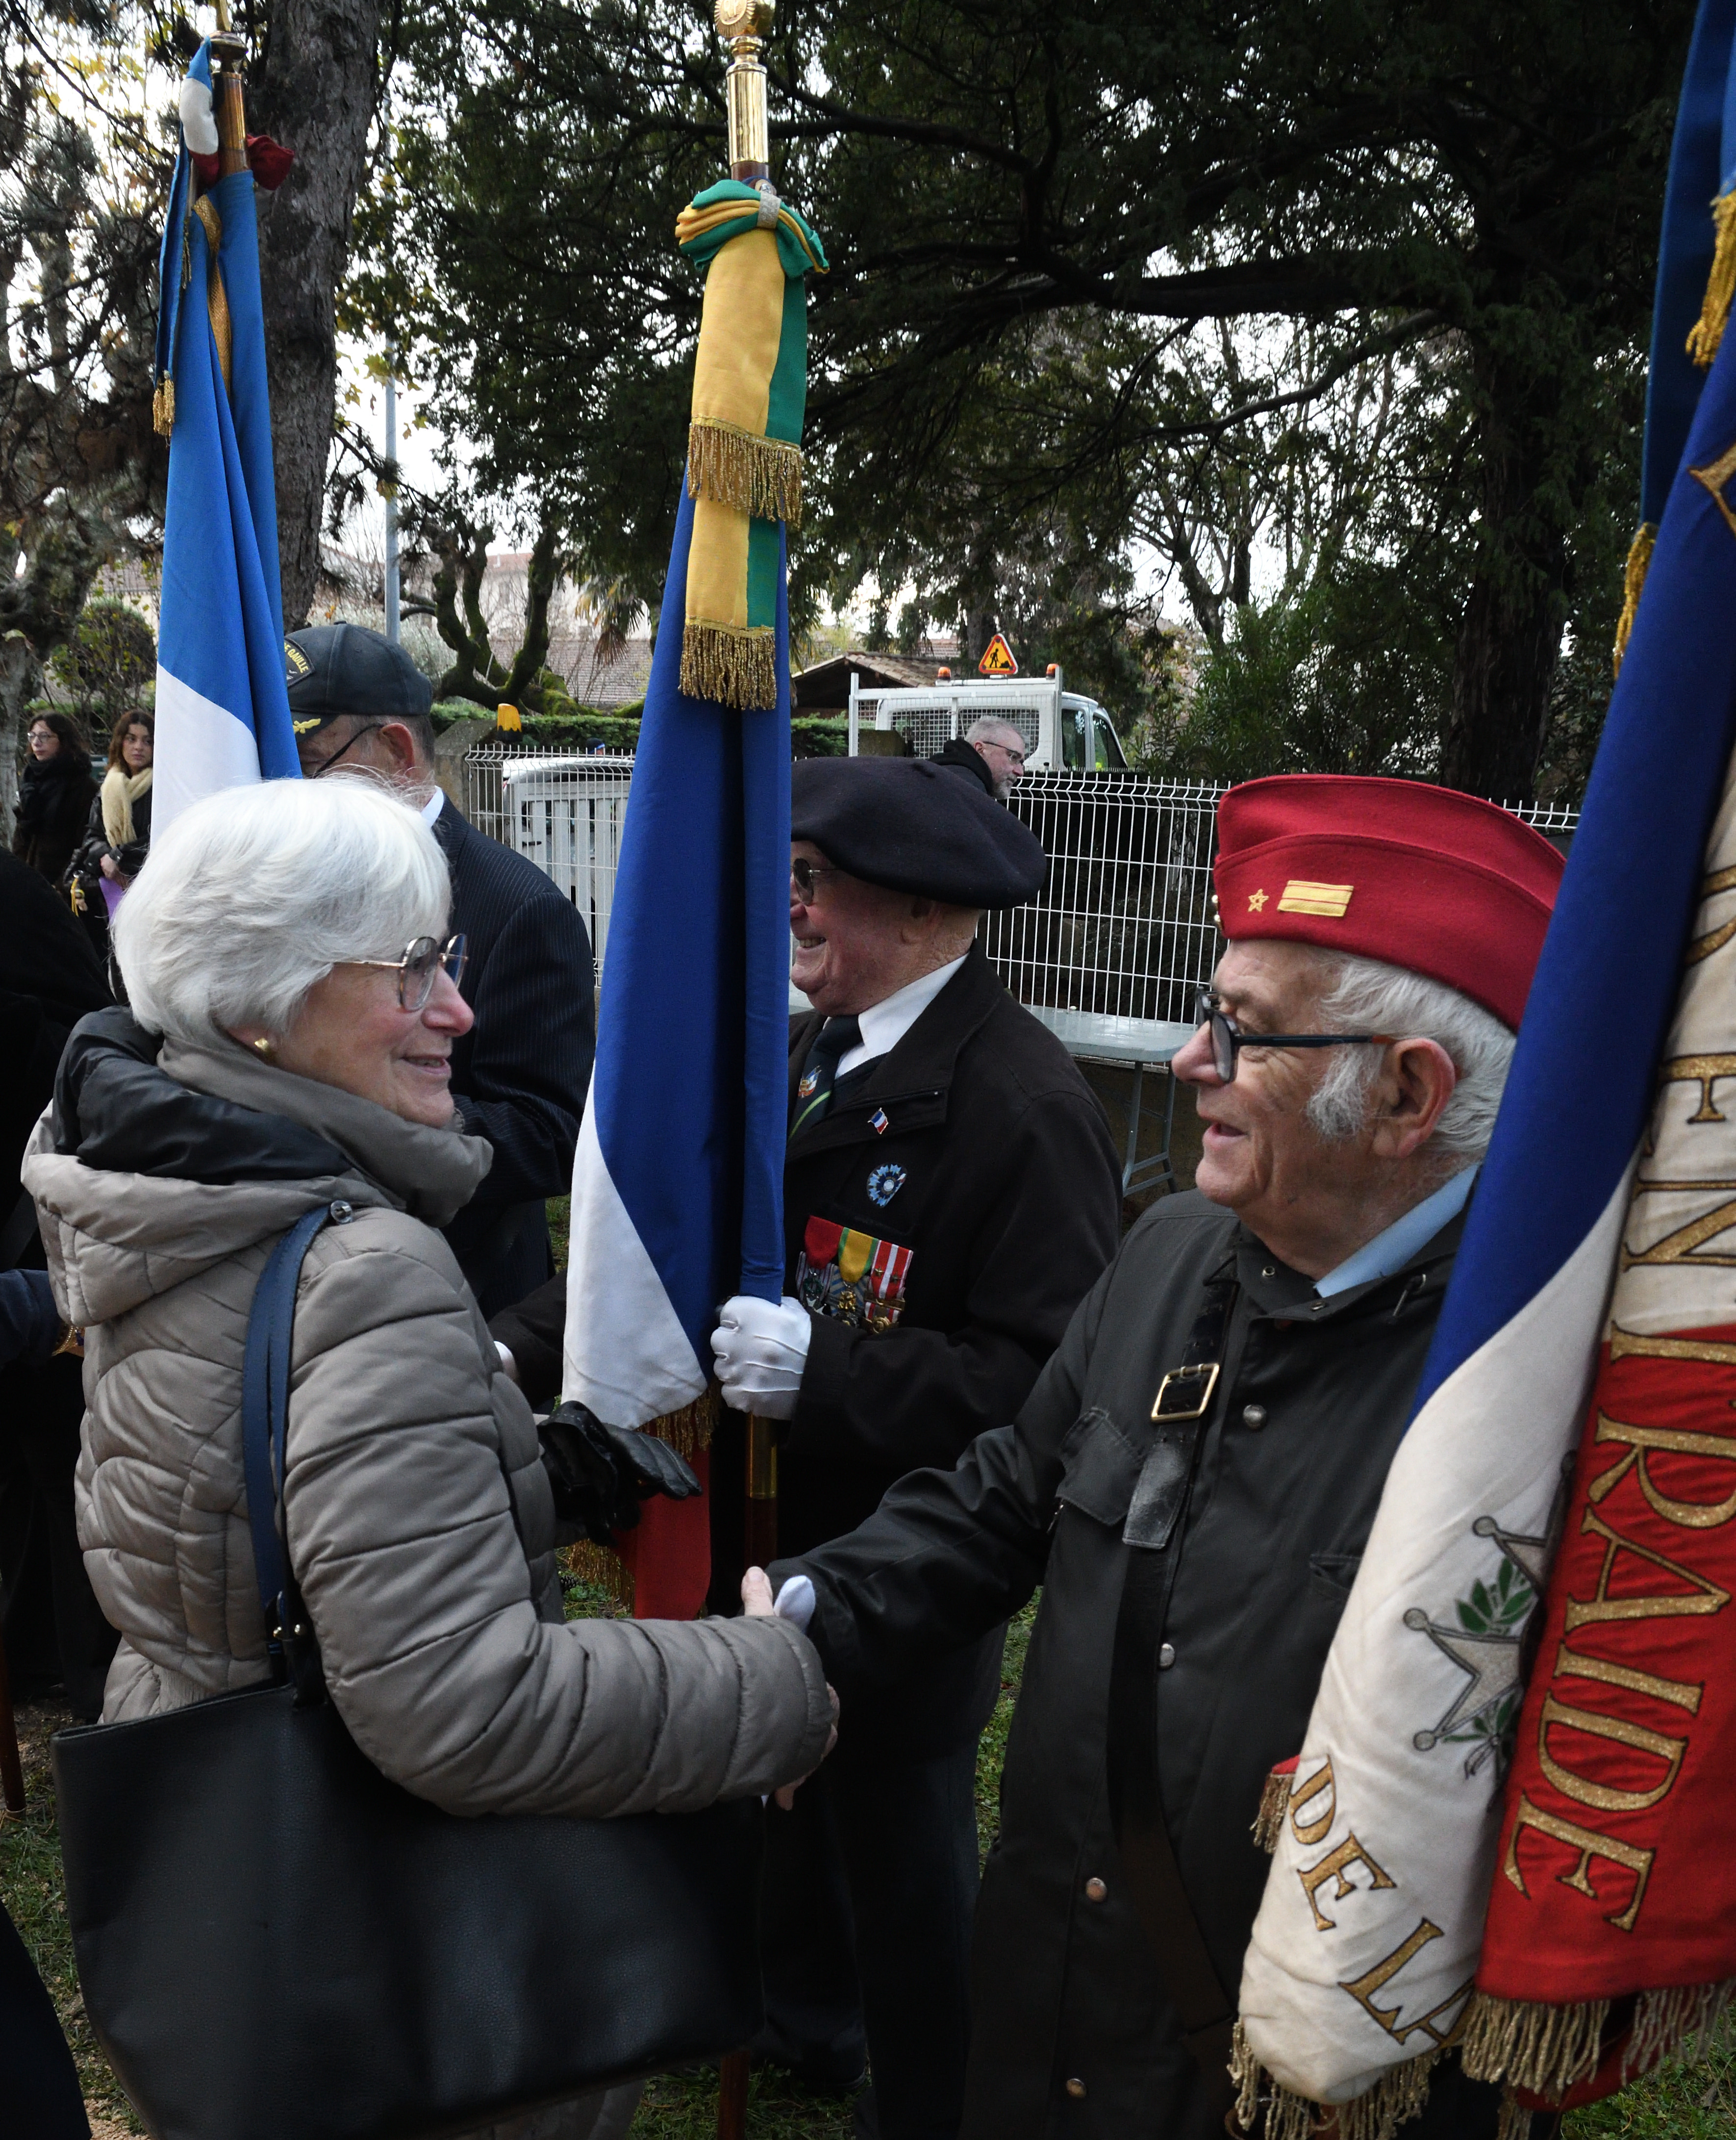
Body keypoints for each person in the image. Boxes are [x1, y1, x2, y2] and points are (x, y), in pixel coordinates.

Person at [22, 778, 836, 2140]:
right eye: (409, 970)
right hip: (389, 1956)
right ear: (261, 1008)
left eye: (445, 960)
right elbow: (461, 1705)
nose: (459, 1009)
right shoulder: (361, 1267)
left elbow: (244, 1500)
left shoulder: (155, 1188)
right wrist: (771, 1678)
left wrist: (512, 1466)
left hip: (226, 1873)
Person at [763, 775, 1567, 2140]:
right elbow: (1006, 1493)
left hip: (1294, 2083)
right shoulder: (1173, 1250)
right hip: (1043, 2019)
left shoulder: (1532, 1392)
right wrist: (811, 1612)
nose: (1190, 1060)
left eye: (1242, 1031)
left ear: (1404, 1094)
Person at [493, 757, 1124, 2140]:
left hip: (897, 1554)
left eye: (814, 884)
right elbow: (666, 1245)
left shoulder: (1022, 1105)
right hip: (754, 1520)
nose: (788, 908)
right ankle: (798, 2016)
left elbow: (1047, 1386)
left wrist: (827, 1374)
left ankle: (931, 2098)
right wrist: (514, 1348)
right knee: (776, 1812)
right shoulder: (798, 1050)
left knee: (899, 1851)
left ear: (917, 911)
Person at [288, 622, 595, 1316]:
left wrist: (363, 1114)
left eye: (307, 764)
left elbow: (550, 1135)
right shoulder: (298, 879)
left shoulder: (519, 908)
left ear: (397, 751)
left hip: (453, 1290)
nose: (288, 791)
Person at [0, 844, 115, 1719]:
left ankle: (90, 1690)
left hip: (42, 1205)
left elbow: (67, 1043)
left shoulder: (14, 899)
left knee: (64, 1461)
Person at [67, 709, 153, 962]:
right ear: (120, 743)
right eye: (131, 739)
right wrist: (106, 857)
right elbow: (92, 837)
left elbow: (162, 836)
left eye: (147, 741)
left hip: (149, 885)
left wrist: (119, 856)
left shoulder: (163, 788)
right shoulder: (108, 788)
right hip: (110, 890)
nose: (139, 747)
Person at [12, 713, 98, 888]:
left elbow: (85, 844)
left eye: (44, 736)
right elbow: (22, 837)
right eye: (32, 736)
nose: (36, 742)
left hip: (62, 887)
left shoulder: (83, 786)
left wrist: (60, 887)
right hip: (26, 883)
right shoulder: (30, 780)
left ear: (63, 740)